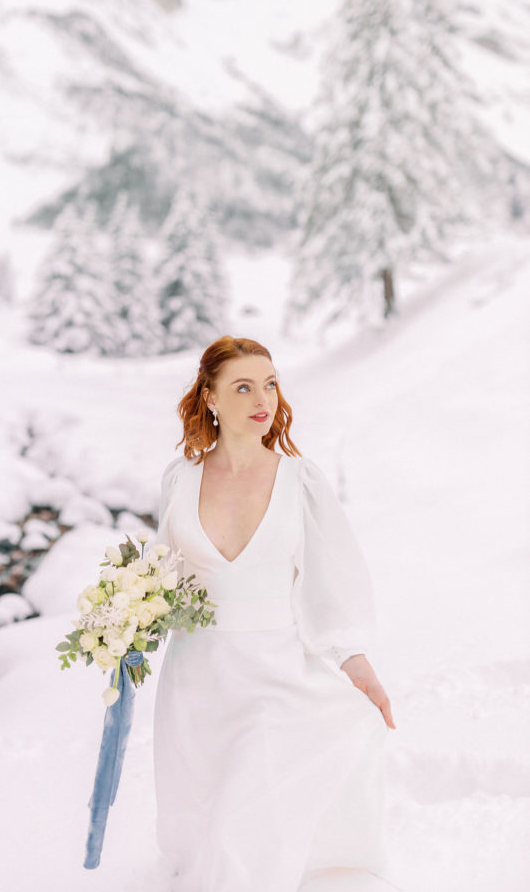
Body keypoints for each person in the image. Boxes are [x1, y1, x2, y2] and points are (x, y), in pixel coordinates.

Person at [152, 336, 397, 892]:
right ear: (209, 397)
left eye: (270, 383)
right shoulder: (179, 479)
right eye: (243, 386)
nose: (263, 398)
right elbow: (159, 579)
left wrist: (354, 659)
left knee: (246, 822)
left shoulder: (299, 481)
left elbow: (331, 578)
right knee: (207, 823)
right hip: (196, 680)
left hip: (277, 673)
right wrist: (124, 634)